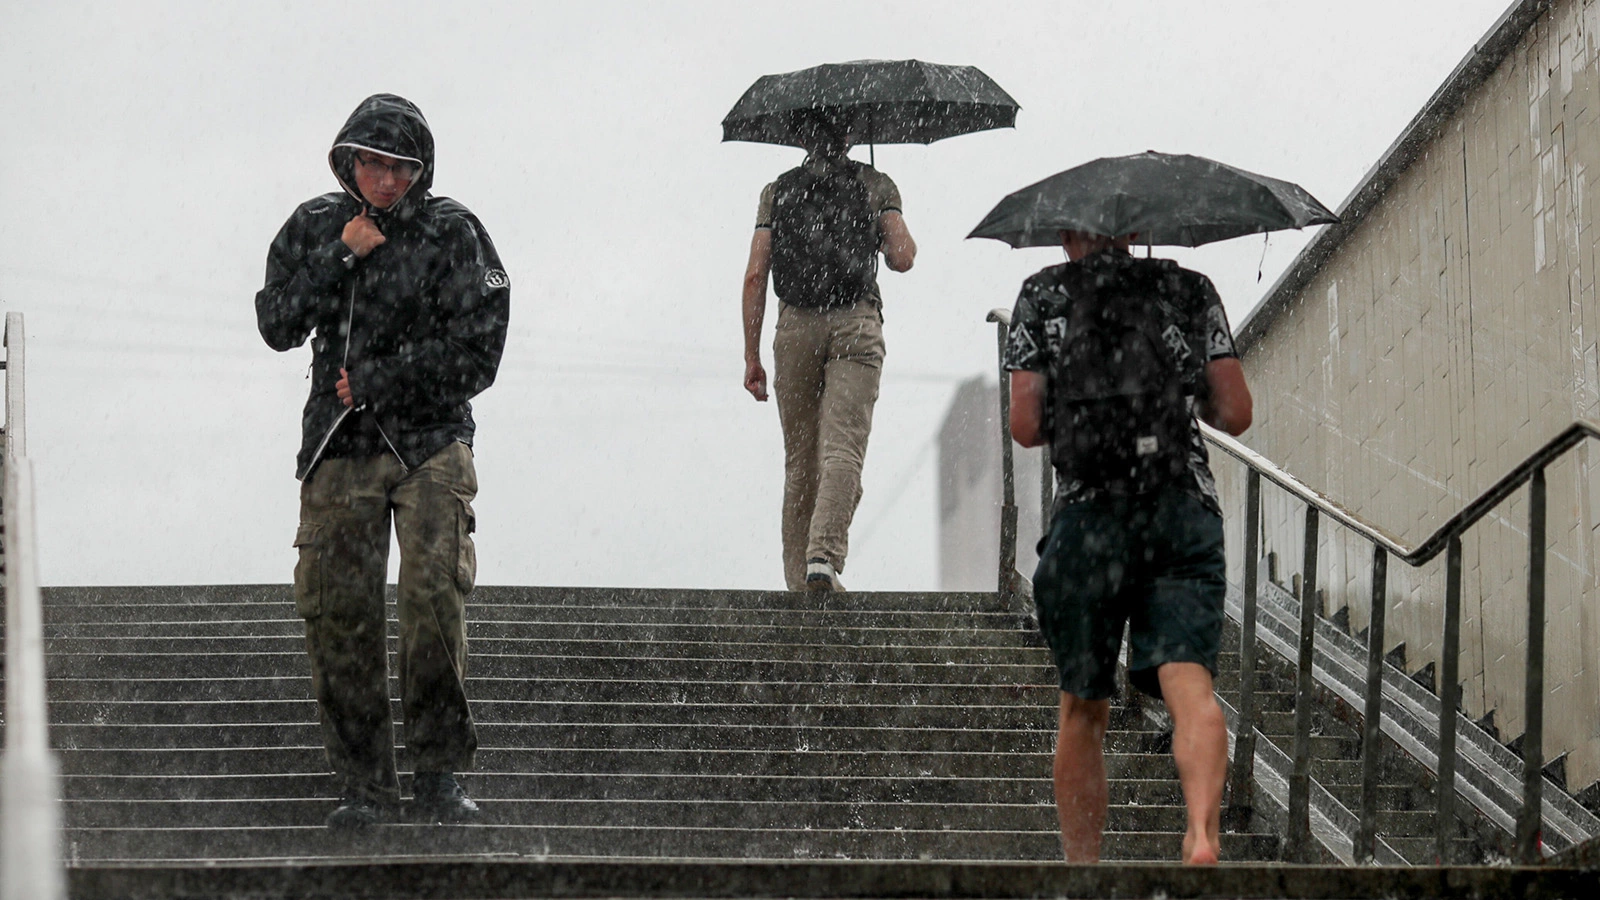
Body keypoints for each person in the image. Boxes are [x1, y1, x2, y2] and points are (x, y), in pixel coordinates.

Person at [255, 94, 510, 831]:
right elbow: (275, 323)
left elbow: (479, 350)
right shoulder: (312, 225)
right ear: (348, 163)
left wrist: (383, 377)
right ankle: (364, 786)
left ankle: (437, 779)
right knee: (341, 617)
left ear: (420, 168)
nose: (386, 181)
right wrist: (344, 252)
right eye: (372, 164)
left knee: (432, 601)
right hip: (338, 445)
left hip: (430, 440)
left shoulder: (456, 231)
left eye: (400, 167)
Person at [1003, 229, 1252, 865]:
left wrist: (1081, 416)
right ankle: (1201, 832)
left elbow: (1025, 426)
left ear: (1063, 236)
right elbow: (1236, 411)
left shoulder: (1042, 296)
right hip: (1179, 505)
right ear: (1139, 230)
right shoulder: (1189, 289)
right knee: (1190, 685)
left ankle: (1083, 870)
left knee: (1082, 707)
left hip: (1089, 519)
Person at [740, 114, 917, 592]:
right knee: (842, 449)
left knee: (800, 460)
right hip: (855, 323)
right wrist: (879, 227)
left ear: (799, 136)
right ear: (851, 134)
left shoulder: (776, 192)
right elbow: (903, 257)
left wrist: (751, 356)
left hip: (795, 326)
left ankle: (799, 583)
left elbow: (756, 275)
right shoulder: (875, 183)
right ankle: (823, 557)